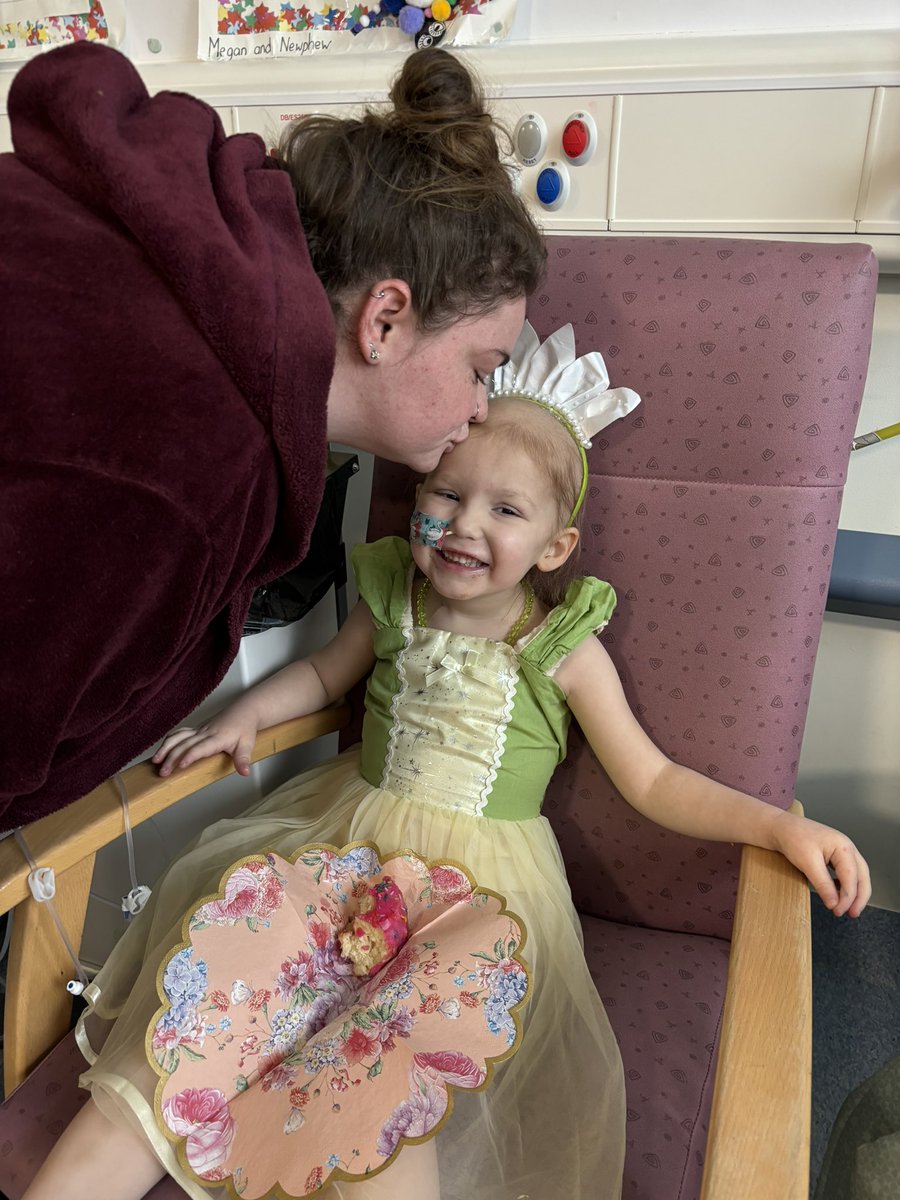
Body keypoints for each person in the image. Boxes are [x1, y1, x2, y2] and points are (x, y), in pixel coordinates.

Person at [21, 324, 871, 1200]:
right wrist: (244, 714)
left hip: (479, 899)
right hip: (343, 850)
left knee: (386, 1069)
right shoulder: (395, 594)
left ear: (555, 548)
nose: (464, 524)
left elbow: (652, 780)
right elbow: (321, 674)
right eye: (446, 494)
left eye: (505, 511)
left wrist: (775, 823)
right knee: (226, 1000)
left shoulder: (561, 645)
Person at [0, 40, 543, 827]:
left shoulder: (175, 252)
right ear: (384, 320)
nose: (483, 408)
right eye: (481, 369)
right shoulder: (196, 461)